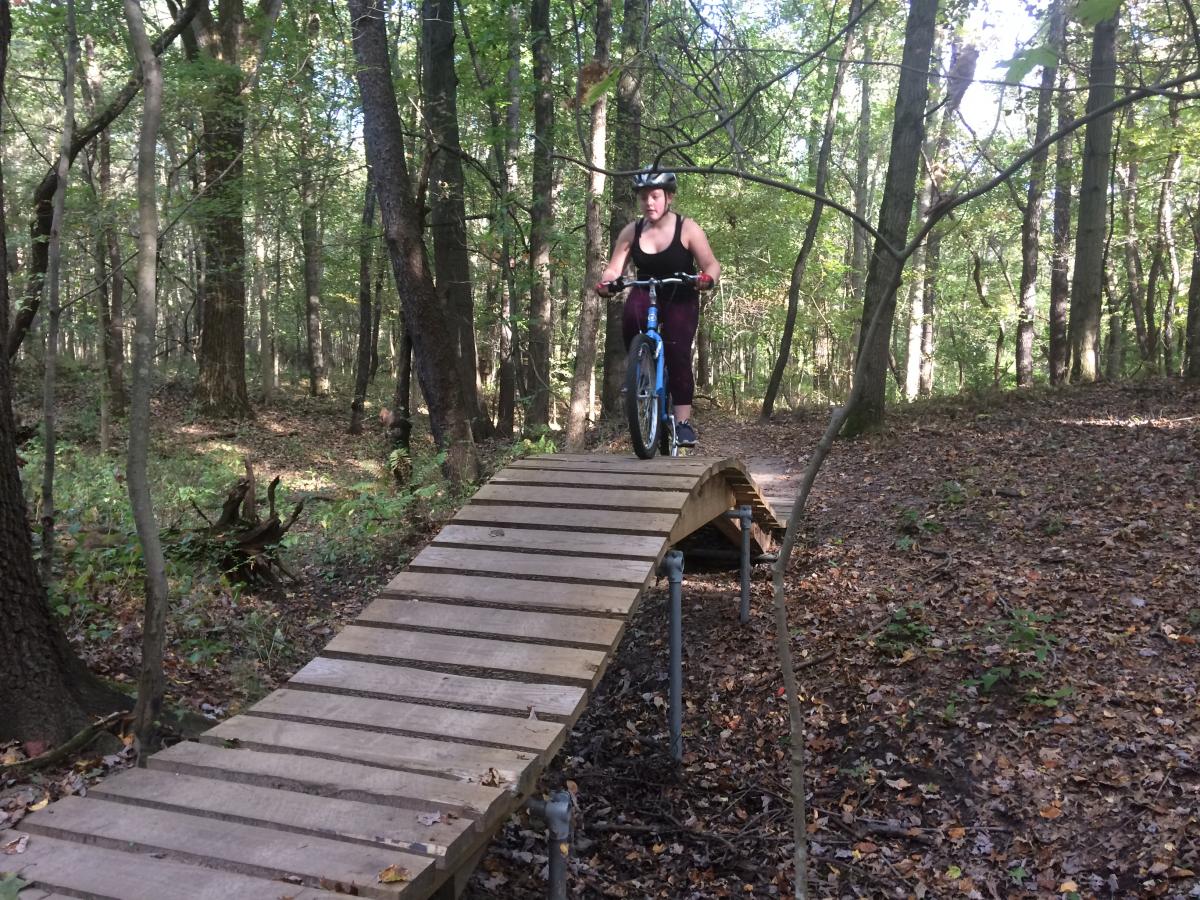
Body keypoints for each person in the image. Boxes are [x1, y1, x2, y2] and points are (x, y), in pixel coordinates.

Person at [597, 169, 720, 446]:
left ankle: (683, 423)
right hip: (646, 289)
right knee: (631, 316)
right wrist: (607, 282)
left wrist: (707, 278)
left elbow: (711, 264)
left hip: (680, 293)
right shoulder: (632, 231)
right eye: (643, 198)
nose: (649, 203)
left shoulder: (687, 228)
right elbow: (614, 268)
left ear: (669, 198)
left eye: (654, 196)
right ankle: (640, 370)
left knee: (677, 352)